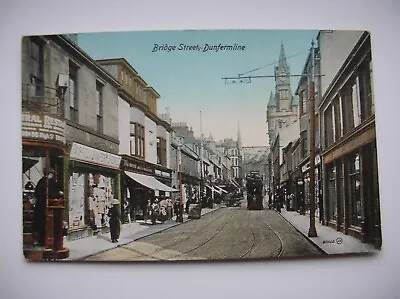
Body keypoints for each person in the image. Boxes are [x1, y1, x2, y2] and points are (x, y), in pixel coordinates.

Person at [33, 168, 63, 247]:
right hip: (48, 208)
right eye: (52, 174)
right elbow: (54, 194)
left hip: (40, 207)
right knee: (48, 225)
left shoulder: (41, 182)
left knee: (42, 225)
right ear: (50, 174)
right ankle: (48, 242)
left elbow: (36, 193)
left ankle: (42, 241)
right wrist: (59, 194)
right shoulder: (50, 183)